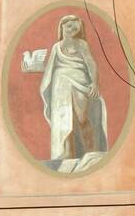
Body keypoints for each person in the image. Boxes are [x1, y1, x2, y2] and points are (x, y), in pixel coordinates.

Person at [39, 14, 109, 172]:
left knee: (82, 117)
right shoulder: (57, 47)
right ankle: (68, 155)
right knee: (65, 120)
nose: (72, 30)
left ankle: (92, 151)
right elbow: (50, 68)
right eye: (69, 26)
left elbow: (91, 63)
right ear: (62, 26)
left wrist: (94, 83)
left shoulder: (81, 44)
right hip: (60, 84)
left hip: (79, 81)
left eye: (75, 28)